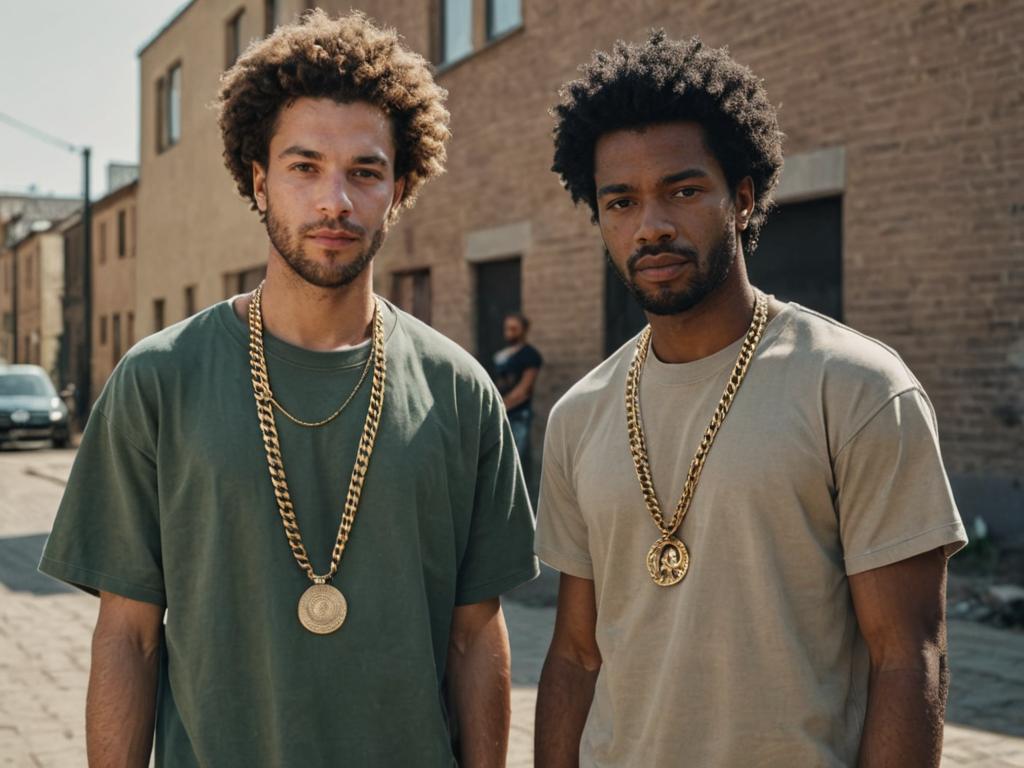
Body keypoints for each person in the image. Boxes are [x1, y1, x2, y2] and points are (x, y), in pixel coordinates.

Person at [40, 12, 537, 767]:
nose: (334, 201)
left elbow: (477, 636)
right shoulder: (157, 379)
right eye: (304, 167)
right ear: (258, 178)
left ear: (398, 187)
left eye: (365, 171)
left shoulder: (460, 391)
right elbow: (128, 637)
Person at [534, 31, 967, 768]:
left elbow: (908, 655)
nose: (652, 225)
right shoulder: (579, 415)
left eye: (683, 189)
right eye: (621, 201)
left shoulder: (858, 389)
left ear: (741, 197)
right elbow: (576, 656)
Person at [492, 312, 543, 465]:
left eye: (514, 328)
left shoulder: (530, 354)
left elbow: (524, 389)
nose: (509, 332)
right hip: (500, 415)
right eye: (507, 328)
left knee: (514, 462)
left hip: (518, 414)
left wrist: (501, 407)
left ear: (524, 330)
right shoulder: (501, 355)